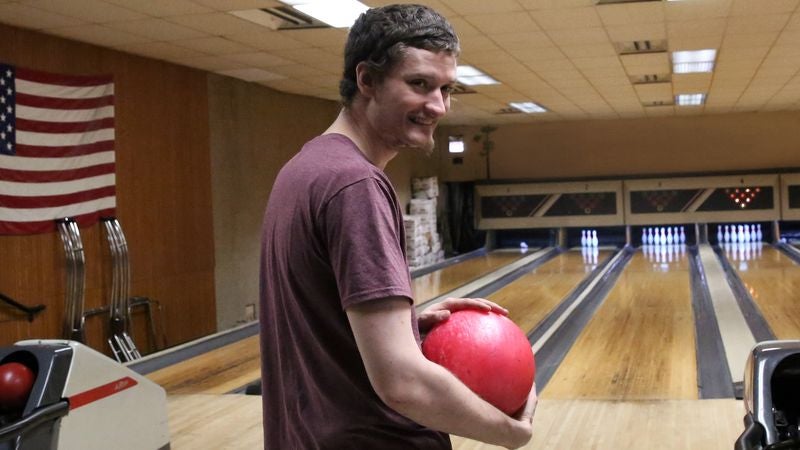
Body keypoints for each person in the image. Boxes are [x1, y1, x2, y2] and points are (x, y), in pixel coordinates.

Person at [258, 4, 537, 449]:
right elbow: (402, 382)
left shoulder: (305, 168)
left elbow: (320, 326)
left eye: (446, 89)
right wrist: (510, 433)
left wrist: (403, 327)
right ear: (366, 79)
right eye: (419, 84)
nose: (438, 105)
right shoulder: (356, 185)